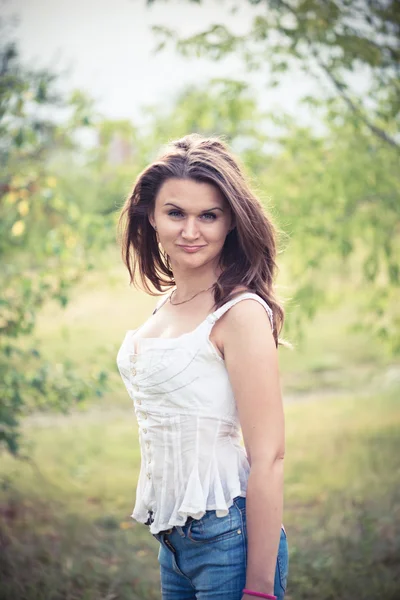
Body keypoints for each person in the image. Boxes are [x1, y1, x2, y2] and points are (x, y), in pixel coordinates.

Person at [116, 133, 289, 600]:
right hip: (172, 542)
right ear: (151, 215)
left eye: (208, 215)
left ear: (230, 221)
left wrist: (258, 588)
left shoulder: (240, 313)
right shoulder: (168, 305)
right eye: (176, 213)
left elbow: (269, 457)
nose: (191, 231)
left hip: (228, 540)